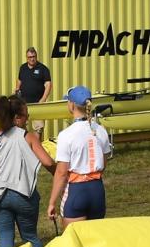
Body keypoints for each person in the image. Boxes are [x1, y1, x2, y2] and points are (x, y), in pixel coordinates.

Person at [0, 95, 55, 247]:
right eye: (26, 116)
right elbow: (48, 162)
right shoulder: (27, 136)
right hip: (23, 194)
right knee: (30, 237)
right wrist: (60, 176)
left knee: (5, 238)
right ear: (16, 117)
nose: (28, 119)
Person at [48, 85, 113, 228]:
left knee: (73, 238)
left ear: (71, 105)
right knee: (95, 237)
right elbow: (103, 162)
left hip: (77, 190)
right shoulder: (100, 130)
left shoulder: (66, 135)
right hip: (97, 189)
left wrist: (52, 202)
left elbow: (61, 173)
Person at [15, 47, 52, 133]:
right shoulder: (23, 68)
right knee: (21, 129)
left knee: (38, 129)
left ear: (36, 56)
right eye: (30, 57)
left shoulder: (43, 69)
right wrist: (17, 91)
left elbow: (48, 85)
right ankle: (25, 142)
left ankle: (37, 142)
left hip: (38, 104)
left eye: (33, 56)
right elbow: (19, 81)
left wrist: (43, 100)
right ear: (26, 57)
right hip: (23, 104)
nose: (32, 59)